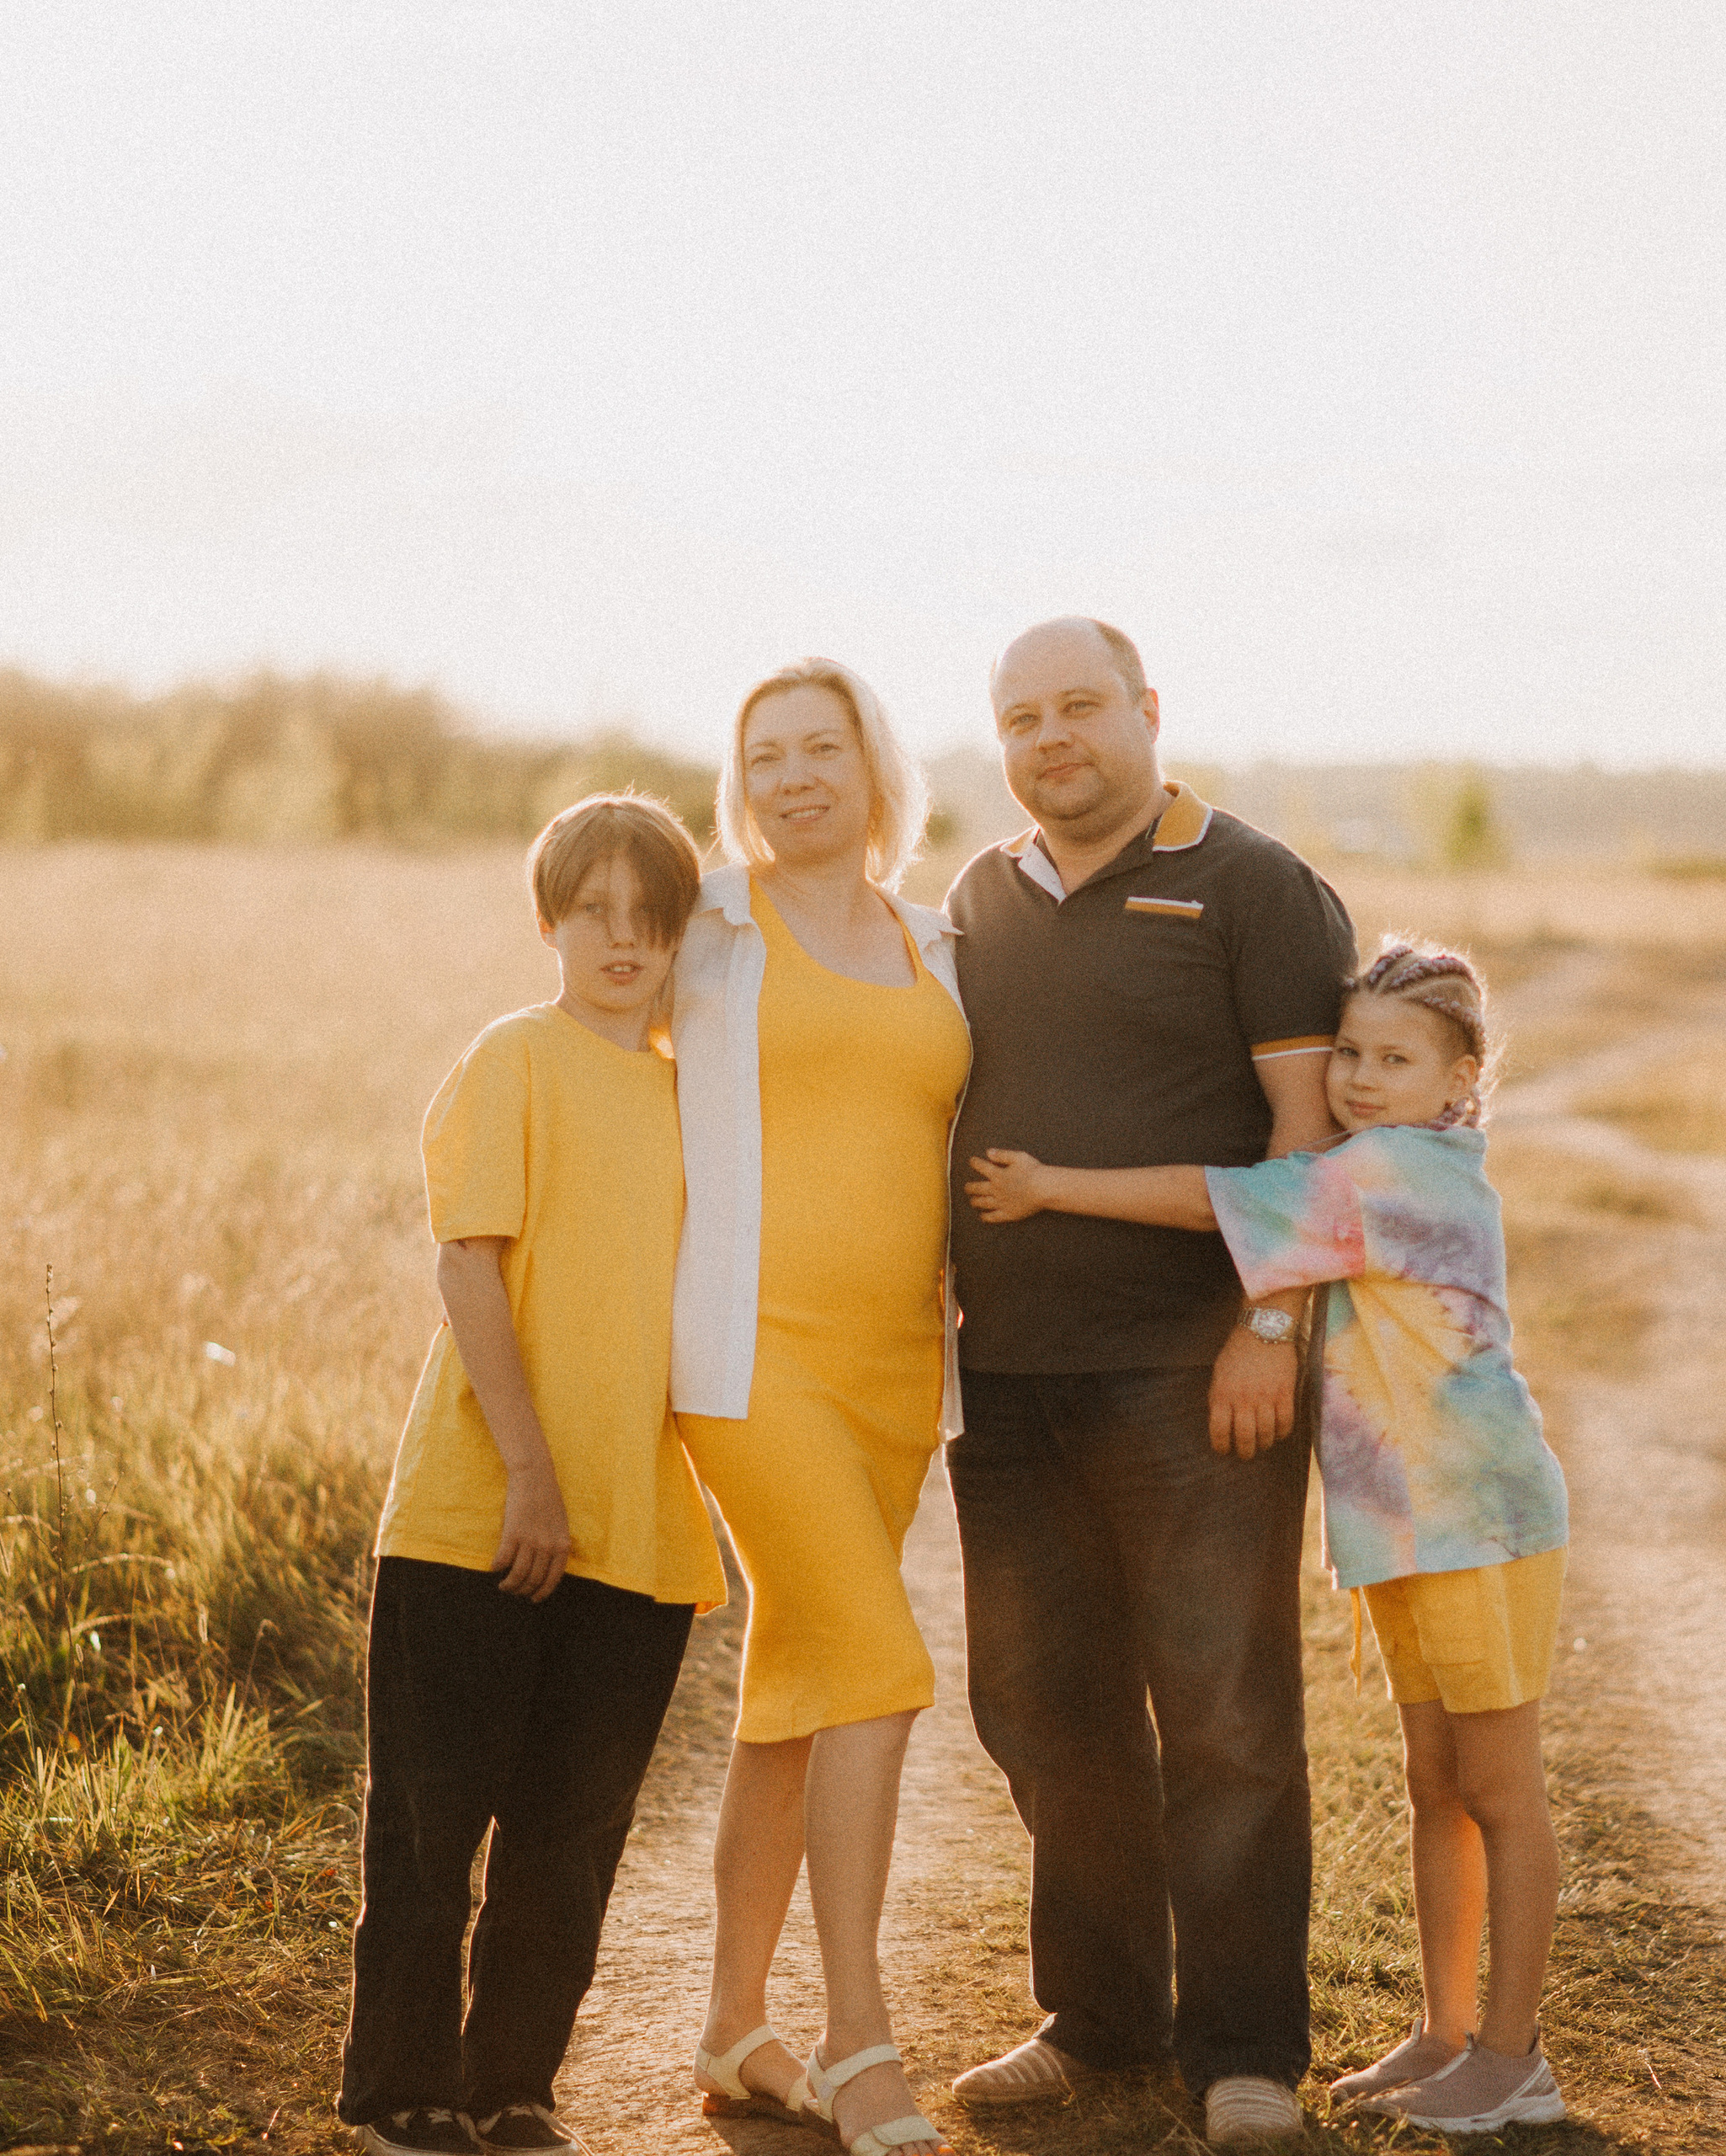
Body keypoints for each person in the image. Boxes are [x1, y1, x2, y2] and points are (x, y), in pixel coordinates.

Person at [964, 937, 1572, 2136]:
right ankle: (1445, 2035)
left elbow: (1211, 1197)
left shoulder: (1400, 1173)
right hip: (1411, 1529)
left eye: (1395, 1058)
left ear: (1462, 1080)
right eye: (1348, 1050)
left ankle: (1516, 2055)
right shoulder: (1382, 1156)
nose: (1358, 1076)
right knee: (1434, 1785)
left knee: (1498, 1790)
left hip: (1476, 1518)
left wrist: (1050, 1185)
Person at [942, 617, 1356, 2145]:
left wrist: (1273, 1328)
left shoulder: (1255, 886)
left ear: (1147, 712)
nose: (1050, 739)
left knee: (1228, 1718)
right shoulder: (981, 896)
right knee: (1048, 1713)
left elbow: (1310, 1135)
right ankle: (1099, 2016)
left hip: (1197, 1378)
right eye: (1020, 717)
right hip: (1010, 1380)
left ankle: (1245, 2053)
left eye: (1078, 708)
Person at [338, 793, 728, 2156]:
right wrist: (529, 1475)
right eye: (594, 911)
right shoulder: (516, 1057)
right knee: (434, 1829)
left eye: (651, 914)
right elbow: (469, 1268)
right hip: (480, 1510)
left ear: (684, 931)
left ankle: (512, 2088)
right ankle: (402, 2093)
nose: (623, 939)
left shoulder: (703, 1099)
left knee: (569, 1839)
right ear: (550, 919)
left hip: (643, 1525)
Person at [671, 659, 967, 2156]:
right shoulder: (710, 927)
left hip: (895, 1376)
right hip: (748, 1359)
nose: (793, 777)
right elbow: (587, 1028)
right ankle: (859, 2038)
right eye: (765, 755)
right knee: (875, 1659)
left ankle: (732, 2027)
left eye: (820, 749)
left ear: (872, 768)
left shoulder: (939, 942)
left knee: (794, 1687)